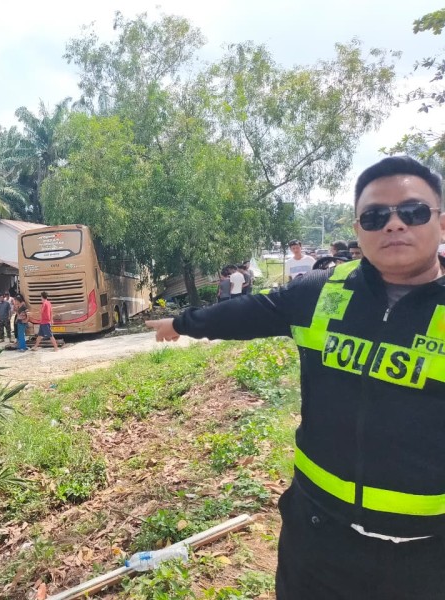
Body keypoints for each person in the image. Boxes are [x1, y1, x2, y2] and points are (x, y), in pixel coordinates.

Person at [146, 156, 445, 599]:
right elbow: (253, 311)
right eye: (376, 216)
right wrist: (182, 323)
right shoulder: (324, 291)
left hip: (427, 556)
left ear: (440, 222)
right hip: (317, 536)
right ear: (359, 227)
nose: (394, 225)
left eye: (413, 211)